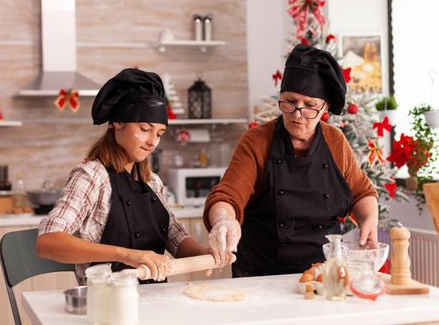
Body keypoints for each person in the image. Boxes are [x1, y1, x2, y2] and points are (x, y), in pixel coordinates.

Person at [204, 44, 379, 277]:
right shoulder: (257, 141)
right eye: (290, 102)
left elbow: (362, 192)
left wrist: (369, 220)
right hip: (262, 274)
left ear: (324, 107)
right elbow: (227, 195)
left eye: (309, 106)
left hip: (323, 274)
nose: (297, 114)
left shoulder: (335, 141)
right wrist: (224, 220)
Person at [37, 68, 220, 283]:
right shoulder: (92, 177)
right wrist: (127, 254)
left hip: (155, 302)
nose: (153, 141)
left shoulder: (152, 182)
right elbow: (47, 242)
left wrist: (207, 254)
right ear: (117, 123)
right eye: (144, 129)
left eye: (159, 134)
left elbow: (175, 236)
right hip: (106, 304)